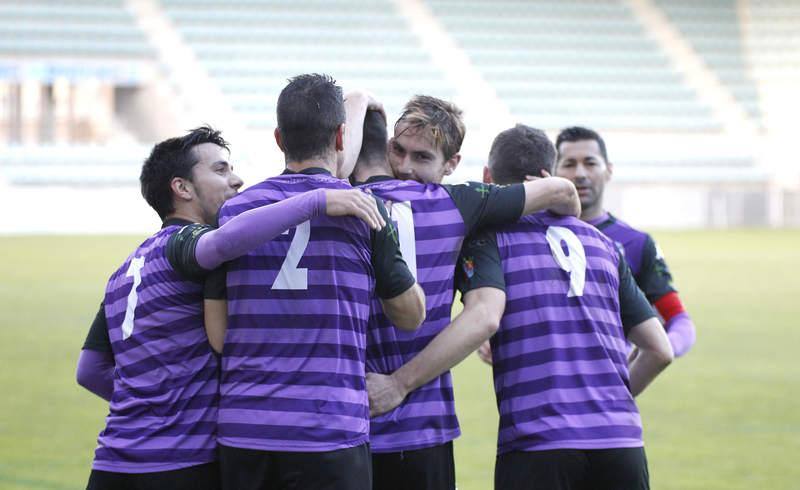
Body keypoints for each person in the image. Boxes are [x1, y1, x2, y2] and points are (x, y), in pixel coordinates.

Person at [76, 126, 385, 490]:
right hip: (176, 467)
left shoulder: (124, 271)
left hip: (112, 463)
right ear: (183, 188)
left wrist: (151, 407)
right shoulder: (183, 245)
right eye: (221, 170)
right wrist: (316, 200)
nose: (237, 181)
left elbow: (90, 370)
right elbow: (222, 243)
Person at [353, 96, 580, 490]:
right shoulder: (461, 206)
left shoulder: (350, 197)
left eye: (422, 157)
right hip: (404, 430)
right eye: (398, 150)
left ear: (451, 164)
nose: (405, 167)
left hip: (362, 431)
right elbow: (561, 189)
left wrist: (398, 384)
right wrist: (573, 219)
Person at [213, 74, 425, 490]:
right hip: (329, 429)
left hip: (246, 428)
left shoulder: (233, 212)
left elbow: (217, 323)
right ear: (342, 137)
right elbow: (408, 316)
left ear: (278, 138)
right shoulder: (366, 211)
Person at [460, 124, 673, 490]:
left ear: (487, 177)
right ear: (551, 176)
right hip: (620, 443)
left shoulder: (491, 241)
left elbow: (483, 318)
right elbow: (659, 349)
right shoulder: (603, 244)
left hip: (538, 445)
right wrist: (602, 400)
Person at [554, 126, 696, 358]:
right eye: (569, 164)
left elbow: (679, 320)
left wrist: (658, 352)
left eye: (590, 163)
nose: (580, 173)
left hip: (611, 389)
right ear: (553, 173)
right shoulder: (533, 235)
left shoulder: (636, 243)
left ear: (608, 170)